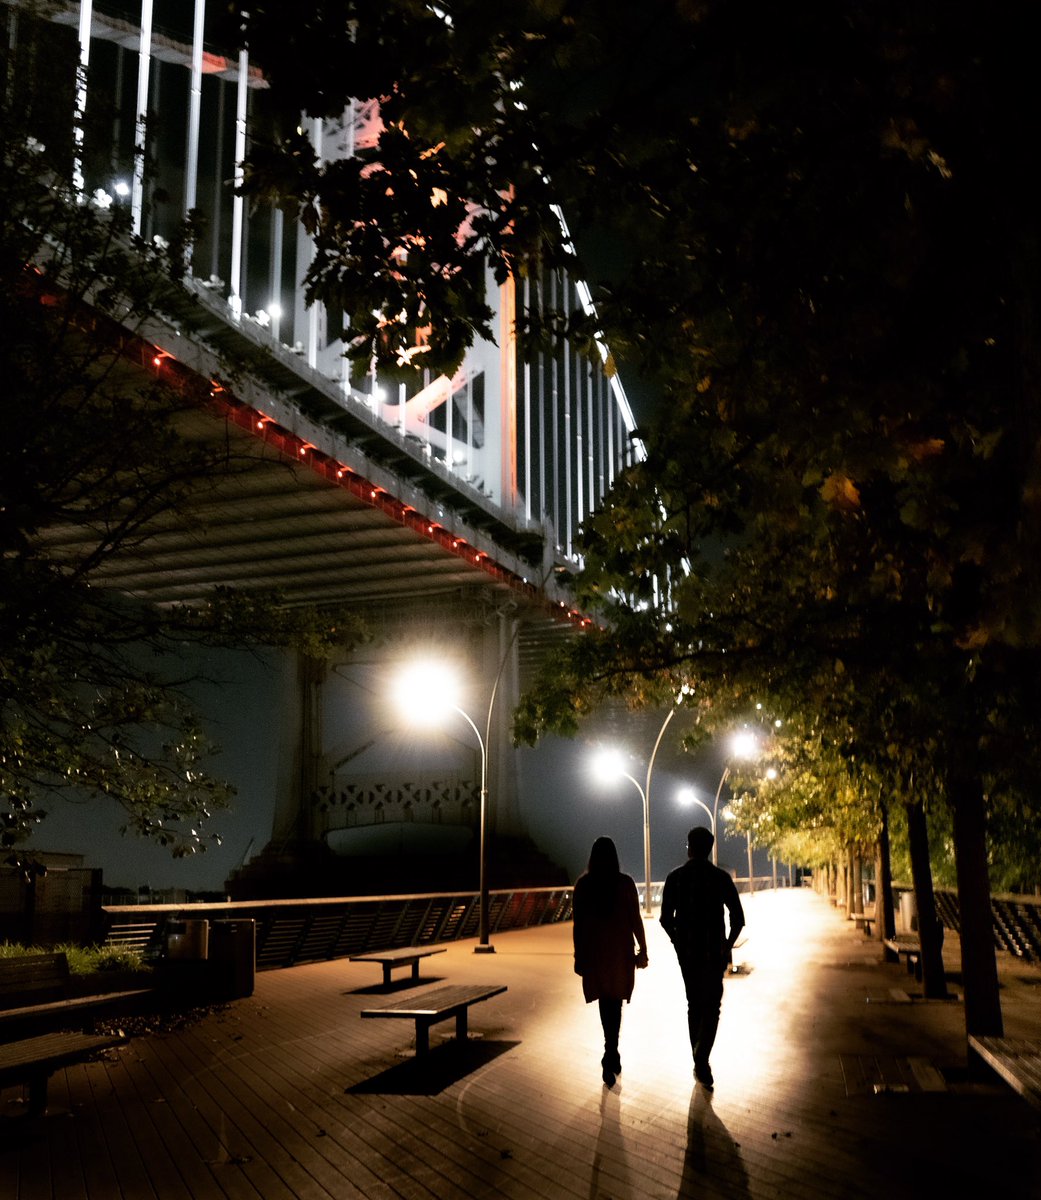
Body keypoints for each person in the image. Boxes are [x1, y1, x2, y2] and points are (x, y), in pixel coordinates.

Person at [660, 826, 745, 1091]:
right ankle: (702, 1058)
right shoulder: (720, 878)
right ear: (708, 849)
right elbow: (738, 919)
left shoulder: (675, 878)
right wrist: (726, 946)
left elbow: (665, 919)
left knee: (693, 1004)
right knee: (712, 1007)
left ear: (689, 846)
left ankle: (698, 1058)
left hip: (688, 954)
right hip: (713, 953)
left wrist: (677, 941)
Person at [572, 836, 649, 1087]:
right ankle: (611, 1052)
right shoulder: (625, 883)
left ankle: (611, 1051)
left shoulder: (584, 885)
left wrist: (578, 956)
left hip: (596, 953)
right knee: (614, 1002)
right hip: (620, 952)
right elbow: (635, 919)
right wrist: (643, 950)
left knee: (606, 1002)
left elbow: (578, 926)